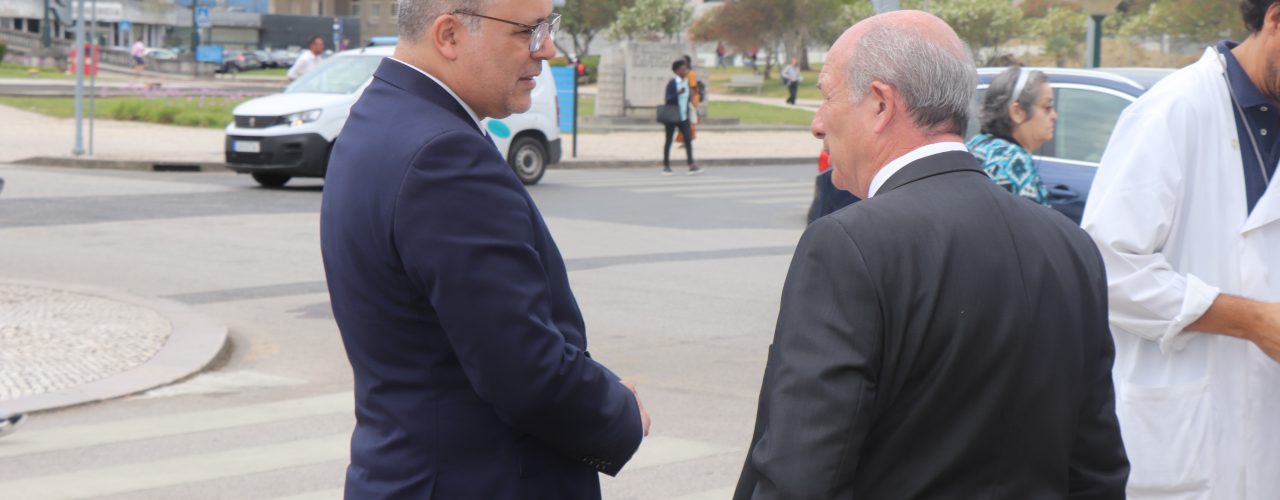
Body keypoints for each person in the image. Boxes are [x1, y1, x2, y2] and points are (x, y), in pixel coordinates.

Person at [733, 10, 1128, 500]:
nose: (817, 123)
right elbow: (1097, 469)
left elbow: (804, 473)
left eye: (826, 96)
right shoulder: (1069, 246)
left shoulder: (848, 246)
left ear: (881, 104)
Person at [319, 1, 649, 498]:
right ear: (449, 35)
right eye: (528, 31)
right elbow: (523, 372)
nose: (548, 49)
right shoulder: (443, 155)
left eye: (549, 26)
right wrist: (619, 411)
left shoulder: (384, 116)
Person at [1081, 1, 1280, 498]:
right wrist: (1252, 321)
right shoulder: (1172, 109)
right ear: (1275, 19)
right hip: (1185, 429)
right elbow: (1107, 268)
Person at [965, 66, 1055, 206]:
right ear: (1017, 112)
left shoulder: (975, 146)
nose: (1054, 116)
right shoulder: (1013, 161)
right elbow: (1031, 218)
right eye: (1047, 107)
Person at [662, 59, 702, 175]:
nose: (685, 71)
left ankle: (691, 164)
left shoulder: (687, 83)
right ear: (677, 71)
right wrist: (677, 93)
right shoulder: (672, 83)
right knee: (669, 140)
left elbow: (689, 100)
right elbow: (668, 99)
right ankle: (666, 165)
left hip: (684, 117)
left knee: (688, 140)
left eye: (686, 69)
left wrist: (695, 112)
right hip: (672, 116)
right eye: (683, 69)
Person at [675, 54, 700, 149]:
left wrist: (691, 101)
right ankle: (684, 140)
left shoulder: (691, 74)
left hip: (690, 101)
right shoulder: (683, 75)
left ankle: (688, 140)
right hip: (684, 100)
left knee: (690, 121)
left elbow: (692, 88)